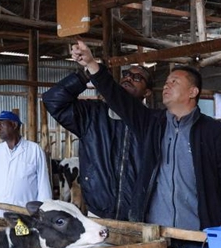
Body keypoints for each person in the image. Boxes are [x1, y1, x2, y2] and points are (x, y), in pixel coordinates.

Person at [70, 40, 221, 232]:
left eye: (174, 82)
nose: (167, 86)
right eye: (166, 82)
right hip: (155, 232)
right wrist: (92, 64)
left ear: (193, 92)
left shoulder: (213, 131)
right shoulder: (152, 123)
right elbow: (118, 97)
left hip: (198, 232)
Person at [43, 64, 154, 220]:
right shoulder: (93, 115)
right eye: (126, 74)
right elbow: (53, 100)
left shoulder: (153, 123)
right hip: (98, 213)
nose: (128, 78)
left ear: (147, 92)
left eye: (137, 78)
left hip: (140, 216)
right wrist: (84, 75)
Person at [0, 110, 52, 218]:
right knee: (0, 234)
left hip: (24, 213)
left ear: (14, 125)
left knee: (23, 235)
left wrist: (43, 213)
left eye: (1, 125)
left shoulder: (34, 150)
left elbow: (43, 185)